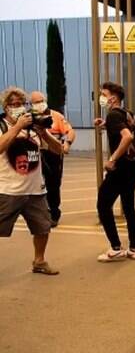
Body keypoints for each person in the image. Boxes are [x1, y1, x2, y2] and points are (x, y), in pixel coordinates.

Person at [0, 86, 62, 275]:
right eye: (13, 105)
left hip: (35, 189)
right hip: (8, 189)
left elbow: (58, 149)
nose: (18, 107)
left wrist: (43, 133)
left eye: (21, 104)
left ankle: (39, 261)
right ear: (6, 107)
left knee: (43, 227)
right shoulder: (2, 125)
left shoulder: (33, 126)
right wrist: (17, 127)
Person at [94, 82, 135, 263]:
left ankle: (115, 247)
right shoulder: (126, 113)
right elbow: (130, 130)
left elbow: (127, 136)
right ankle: (134, 248)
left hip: (119, 168)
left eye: (103, 94)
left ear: (113, 98)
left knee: (103, 205)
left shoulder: (114, 114)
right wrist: (106, 124)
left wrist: (112, 159)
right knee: (128, 206)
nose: (101, 98)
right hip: (131, 167)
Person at [30, 90, 76, 226]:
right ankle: (38, 212)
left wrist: (67, 143)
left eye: (40, 101)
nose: (39, 104)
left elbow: (70, 131)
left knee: (53, 183)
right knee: (35, 184)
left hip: (53, 153)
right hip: (35, 153)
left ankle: (54, 213)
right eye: (35, 102)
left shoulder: (56, 116)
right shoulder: (28, 117)